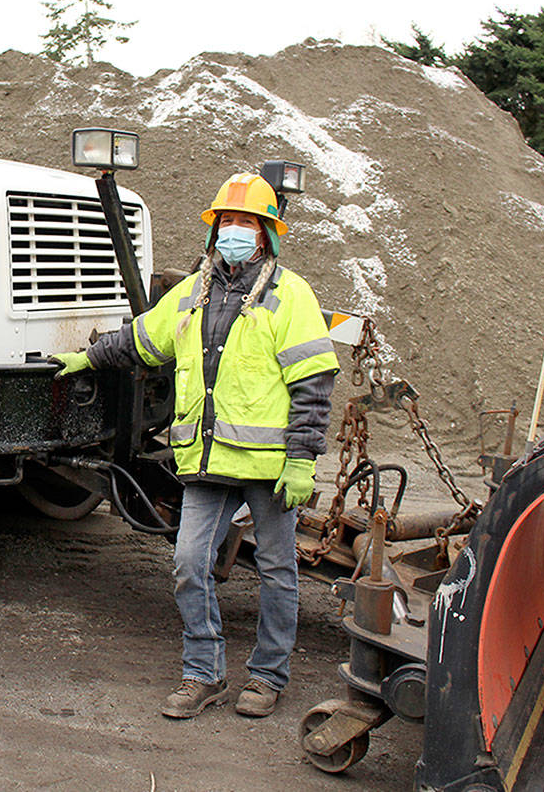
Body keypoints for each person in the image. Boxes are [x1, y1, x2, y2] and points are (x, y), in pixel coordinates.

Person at [52, 172, 338, 720]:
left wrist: (302, 459)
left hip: (270, 467)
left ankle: (267, 678)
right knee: (188, 564)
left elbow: (313, 383)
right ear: (213, 233)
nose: (234, 231)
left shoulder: (289, 296)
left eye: (246, 223)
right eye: (226, 222)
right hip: (208, 462)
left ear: (267, 235)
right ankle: (202, 673)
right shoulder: (193, 292)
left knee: (278, 570)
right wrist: (88, 358)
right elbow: (142, 340)